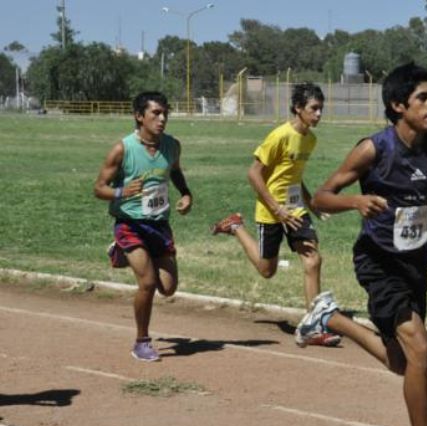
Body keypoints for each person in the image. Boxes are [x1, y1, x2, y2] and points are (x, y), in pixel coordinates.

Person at [295, 62, 427, 426]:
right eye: (424, 98)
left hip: (416, 262)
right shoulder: (374, 148)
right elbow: (320, 196)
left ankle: (331, 319)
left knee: (404, 363)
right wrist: (355, 201)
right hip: (378, 262)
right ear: (398, 105)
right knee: (421, 348)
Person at [210, 83, 339, 347]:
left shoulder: (310, 139)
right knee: (267, 270)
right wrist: (276, 208)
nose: (318, 115)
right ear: (298, 108)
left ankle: (311, 327)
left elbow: (293, 176)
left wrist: (310, 203)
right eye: (314, 109)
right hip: (271, 211)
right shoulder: (279, 136)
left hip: (295, 210)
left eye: (321, 109)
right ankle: (235, 226)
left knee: (313, 260)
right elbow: (254, 174)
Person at [93, 91, 193, 362]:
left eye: (165, 114)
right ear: (139, 116)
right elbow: (98, 188)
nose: (162, 119)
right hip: (130, 223)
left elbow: (174, 170)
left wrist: (185, 193)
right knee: (147, 283)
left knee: (168, 287)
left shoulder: (172, 146)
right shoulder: (122, 149)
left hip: (159, 223)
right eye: (155, 114)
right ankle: (142, 341)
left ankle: (120, 253)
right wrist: (120, 193)